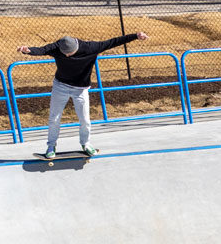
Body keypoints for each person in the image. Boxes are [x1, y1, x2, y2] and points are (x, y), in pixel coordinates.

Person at [14, 31, 150, 158]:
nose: (66, 55)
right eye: (64, 54)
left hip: (80, 89)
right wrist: (28, 50)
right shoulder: (57, 46)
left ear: (76, 48)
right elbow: (42, 50)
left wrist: (135, 36)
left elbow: (113, 42)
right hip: (60, 86)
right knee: (54, 118)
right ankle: (51, 147)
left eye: (70, 53)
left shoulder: (91, 47)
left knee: (85, 120)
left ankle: (86, 144)